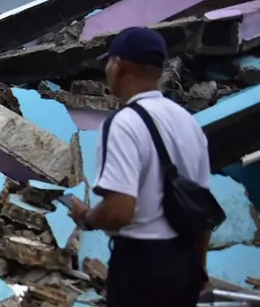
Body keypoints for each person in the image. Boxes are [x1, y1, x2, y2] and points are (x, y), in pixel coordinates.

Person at [68, 27, 210, 306]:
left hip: (142, 267)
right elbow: (203, 212)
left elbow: (120, 211)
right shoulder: (189, 123)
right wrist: (200, 270)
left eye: (108, 61)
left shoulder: (123, 124)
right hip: (185, 264)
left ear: (119, 66)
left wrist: (86, 217)